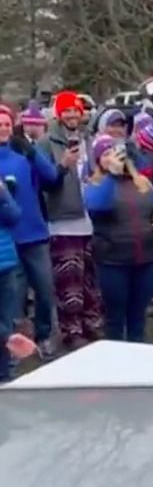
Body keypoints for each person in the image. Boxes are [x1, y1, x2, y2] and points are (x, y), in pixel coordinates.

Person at [84, 135, 153, 342]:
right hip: (113, 262)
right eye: (106, 154)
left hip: (146, 261)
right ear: (98, 161)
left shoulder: (142, 183)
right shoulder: (95, 185)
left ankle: (137, 359)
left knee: (138, 317)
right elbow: (98, 207)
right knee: (115, 318)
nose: (112, 157)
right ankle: (115, 365)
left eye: (115, 152)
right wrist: (113, 176)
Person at [38, 90, 102, 350]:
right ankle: (71, 330)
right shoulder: (46, 142)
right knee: (68, 280)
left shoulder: (89, 139)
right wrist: (63, 166)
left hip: (89, 216)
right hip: (62, 219)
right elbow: (44, 182)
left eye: (76, 110)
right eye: (67, 110)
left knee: (88, 278)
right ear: (58, 114)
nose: (72, 114)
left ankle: (91, 323)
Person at [0, 104, 60, 358]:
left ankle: (44, 334)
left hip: (34, 234)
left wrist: (33, 151)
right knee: (12, 301)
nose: (2, 129)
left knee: (45, 290)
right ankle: (14, 346)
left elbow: (52, 177)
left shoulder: (22, 152)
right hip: (8, 240)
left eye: (5, 124)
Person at [0, 177, 21, 381]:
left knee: (6, 320)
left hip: (5, 264)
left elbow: (15, 217)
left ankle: (5, 374)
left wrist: (4, 194)